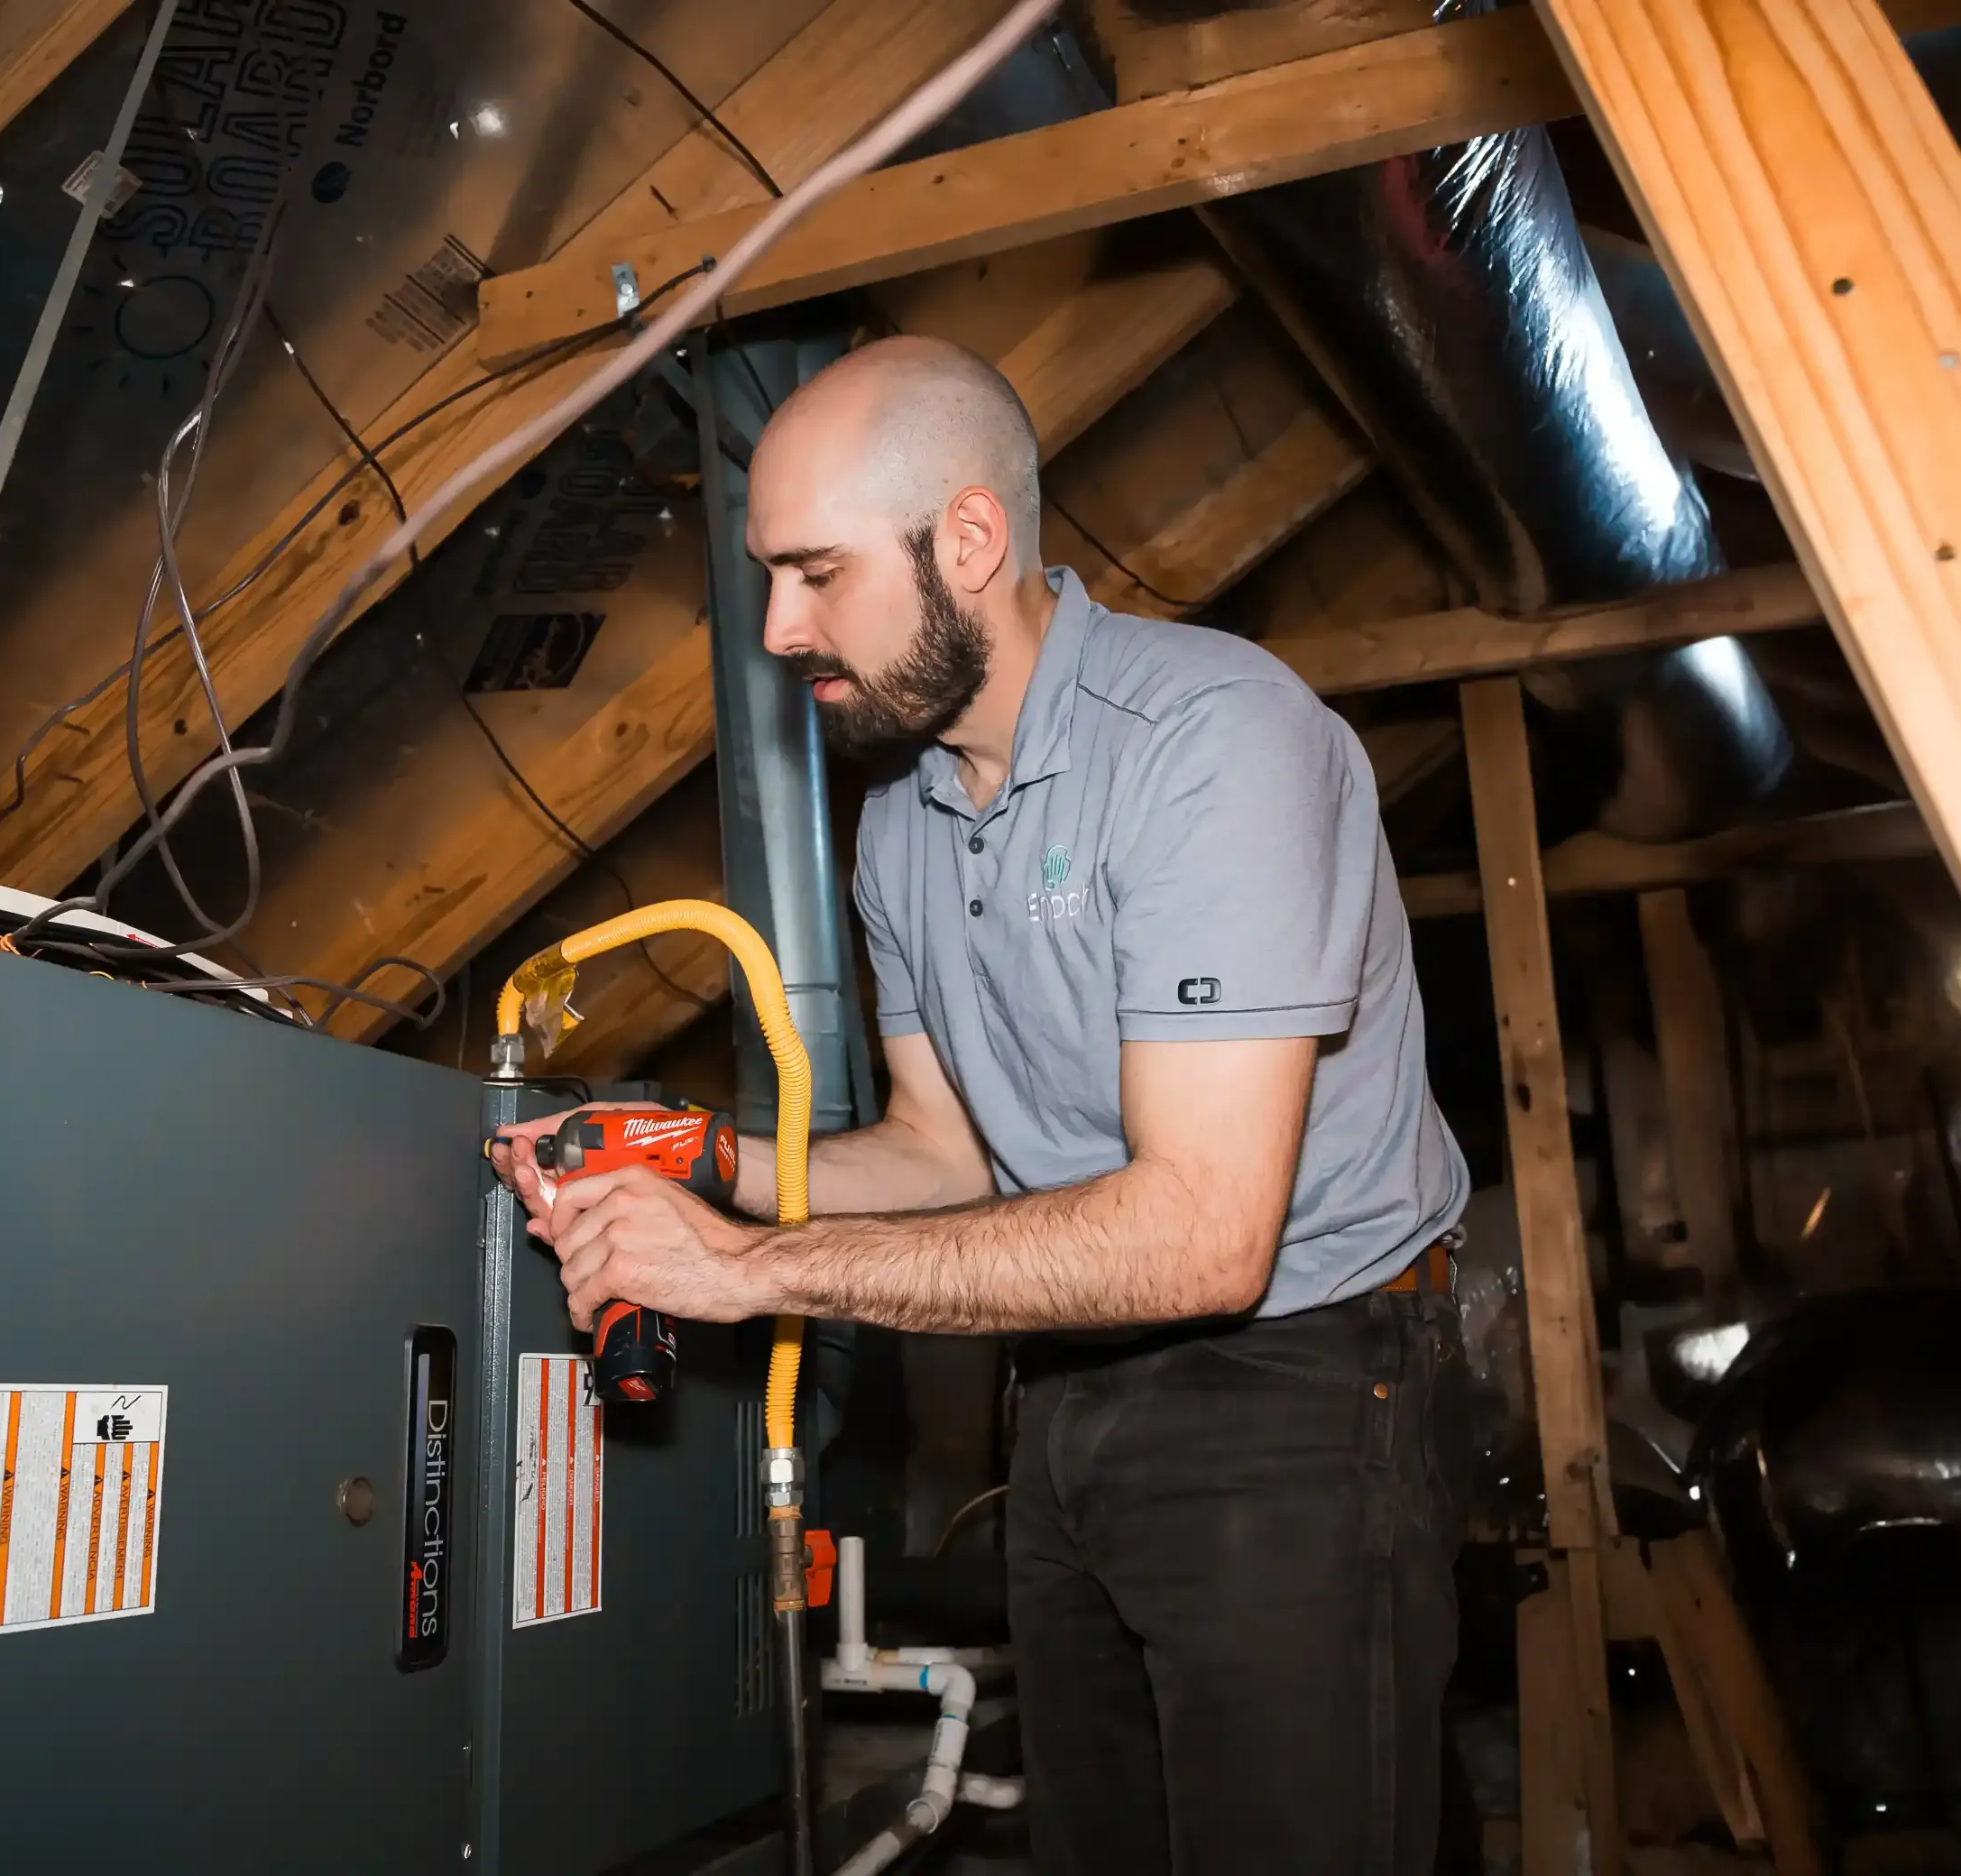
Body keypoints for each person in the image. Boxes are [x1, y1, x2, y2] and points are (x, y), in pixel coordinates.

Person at [491, 335, 1471, 1873]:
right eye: (769, 578)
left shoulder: (1214, 745)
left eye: (816, 574)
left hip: (1300, 1387)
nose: (779, 628)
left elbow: (1205, 1238)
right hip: (1067, 1386)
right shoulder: (903, 819)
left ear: (967, 540)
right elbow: (945, 1151)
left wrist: (749, 1270)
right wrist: (711, 1162)